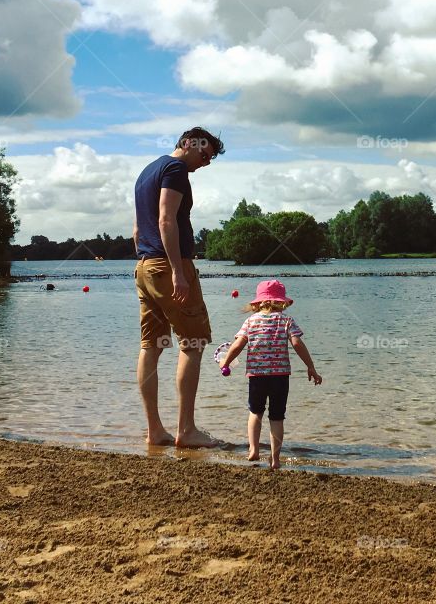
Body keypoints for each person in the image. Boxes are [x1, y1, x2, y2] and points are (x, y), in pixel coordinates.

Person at [133, 126, 224, 448]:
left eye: (211, 158)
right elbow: (165, 220)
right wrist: (177, 272)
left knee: (152, 345)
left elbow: (136, 227)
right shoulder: (174, 169)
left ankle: (155, 431)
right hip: (168, 265)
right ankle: (186, 431)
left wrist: (146, 261)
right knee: (193, 342)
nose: (206, 162)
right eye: (204, 154)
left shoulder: (147, 172)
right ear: (187, 143)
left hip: (145, 265)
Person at [219, 279, 322, 469]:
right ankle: (275, 459)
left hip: (257, 377)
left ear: (258, 302)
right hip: (280, 377)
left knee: (255, 412)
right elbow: (297, 344)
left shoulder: (250, 321)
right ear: (281, 302)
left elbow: (238, 345)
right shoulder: (286, 320)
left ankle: (254, 450)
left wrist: (225, 362)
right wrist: (311, 367)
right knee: (277, 417)